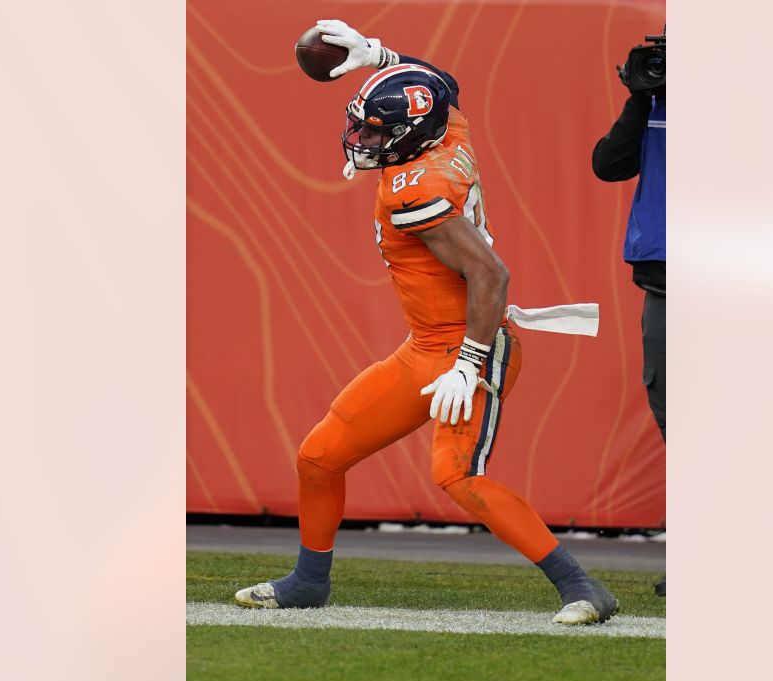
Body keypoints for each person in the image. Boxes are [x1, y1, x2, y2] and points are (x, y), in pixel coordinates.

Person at [235, 19, 617, 624]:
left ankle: (582, 586)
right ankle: (309, 581)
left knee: (456, 474)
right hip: (426, 346)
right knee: (319, 456)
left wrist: (469, 362)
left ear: (411, 134)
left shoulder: (416, 190)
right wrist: (378, 56)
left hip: (472, 346)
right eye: (362, 124)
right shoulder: (446, 127)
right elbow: (444, 83)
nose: (361, 138)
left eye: (376, 131)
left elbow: (491, 275)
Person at [592, 31, 666, 596]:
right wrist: (641, 96)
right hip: (664, 283)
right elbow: (608, 165)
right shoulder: (656, 103)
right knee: (675, 417)